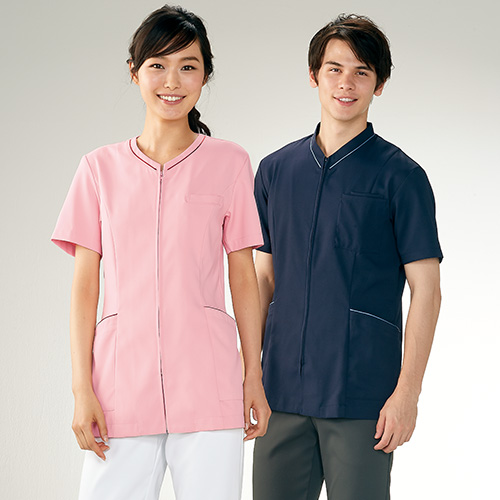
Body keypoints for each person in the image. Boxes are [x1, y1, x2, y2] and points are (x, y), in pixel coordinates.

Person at [51, 5, 270, 500]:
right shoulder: (98, 169)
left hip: (210, 384)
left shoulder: (230, 162)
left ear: (205, 75)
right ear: (134, 72)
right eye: (158, 65)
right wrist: (82, 389)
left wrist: (252, 375)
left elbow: (243, 275)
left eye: (188, 66)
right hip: (119, 387)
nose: (172, 81)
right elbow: (85, 286)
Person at [252, 14, 442, 500]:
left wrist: (407, 393)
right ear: (313, 76)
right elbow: (263, 282)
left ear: (379, 84)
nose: (346, 83)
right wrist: (249, 372)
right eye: (334, 69)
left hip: (361, 396)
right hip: (281, 392)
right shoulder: (275, 171)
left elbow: (427, 290)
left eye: (362, 72)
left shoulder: (402, 177)